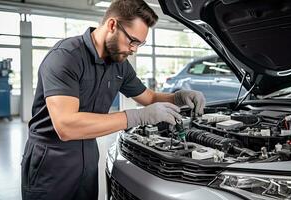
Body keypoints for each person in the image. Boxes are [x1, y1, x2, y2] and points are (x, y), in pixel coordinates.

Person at [21, 0, 206, 199]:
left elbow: (149, 97)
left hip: (88, 158)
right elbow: (66, 126)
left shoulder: (119, 64)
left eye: (139, 44)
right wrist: (136, 117)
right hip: (51, 163)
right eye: (132, 41)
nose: (134, 49)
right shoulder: (66, 57)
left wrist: (178, 97)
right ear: (111, 25)